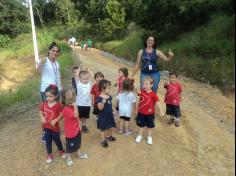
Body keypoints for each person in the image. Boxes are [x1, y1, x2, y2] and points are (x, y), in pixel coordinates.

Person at [37, 42, 62, 143]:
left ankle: (54, 129)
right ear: (49, 51)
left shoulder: (57, 63)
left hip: (55, 89)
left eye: (56, 52)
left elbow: (58, 76)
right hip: (46, 90)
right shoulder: (44, 60)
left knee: (55, 110)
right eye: (53, 51)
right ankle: (45, 133)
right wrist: (40, 63)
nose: (55, 53)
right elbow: (38, 72)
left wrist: (60, 87)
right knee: (46, 111)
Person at [61, 88, 88, 167]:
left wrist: (79, 125)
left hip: (76, 129)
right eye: (69, 97)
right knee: (69, 146)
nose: (72, 98)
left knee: (78, 142)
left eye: (72, 96)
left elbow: (77, 117)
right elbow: (75, 115)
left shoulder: (72, 107)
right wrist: (75, 106)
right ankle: (68, 157)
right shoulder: (66, 109)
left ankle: (79, 154)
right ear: (64, 98)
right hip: (70, 132)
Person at [39, 85, 66, 164]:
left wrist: (56, 120)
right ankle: (49, 154)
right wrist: (42, 118)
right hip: (46, 127)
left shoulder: (58, 105)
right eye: (46, 96)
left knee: (57, 139)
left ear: (56, 96)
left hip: (55, 127)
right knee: (48, 141)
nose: (48, 98)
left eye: (50, 96)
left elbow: (61, 114)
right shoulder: (44, 104)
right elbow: (40, 111)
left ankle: (61, 150)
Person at [135, 76, 164, 145]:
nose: (144, 86)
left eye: (146, 84)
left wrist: (161, 111)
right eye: (143, 84)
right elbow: (137, 91)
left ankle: (149, 137)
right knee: (141, 125)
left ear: (151, 85)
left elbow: (157, 102)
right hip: (141, 112)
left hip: (150, 114)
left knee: (149, 126)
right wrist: (134, 85)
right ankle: (140, 135)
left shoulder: (153, 94)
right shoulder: (142, 92)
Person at [97, 79, 116, 148]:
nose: (109, 89)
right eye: (108, 88)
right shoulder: (100, 98)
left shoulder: (109, 96)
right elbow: (100, 108)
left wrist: (113, 109)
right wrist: (102, 103)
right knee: (103, 129)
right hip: (103, 117)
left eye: (109, 88)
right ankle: (103, 140)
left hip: (109, 115)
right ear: (102, 88)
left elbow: (110, 104)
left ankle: (108, 136)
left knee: (110, 126)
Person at [75, 65, 93, 133]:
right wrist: (79, 68)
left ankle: (84, 126)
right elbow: (77, 75)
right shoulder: (78, 83)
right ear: (80, 79)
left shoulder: (89, 84)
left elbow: (92, 77)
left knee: (84, 117)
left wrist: (88, 70)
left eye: (87, 79)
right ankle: (78, 126)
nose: (85, 80)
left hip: (87, 104)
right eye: (84, 79)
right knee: (79, 116)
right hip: (79, 104)